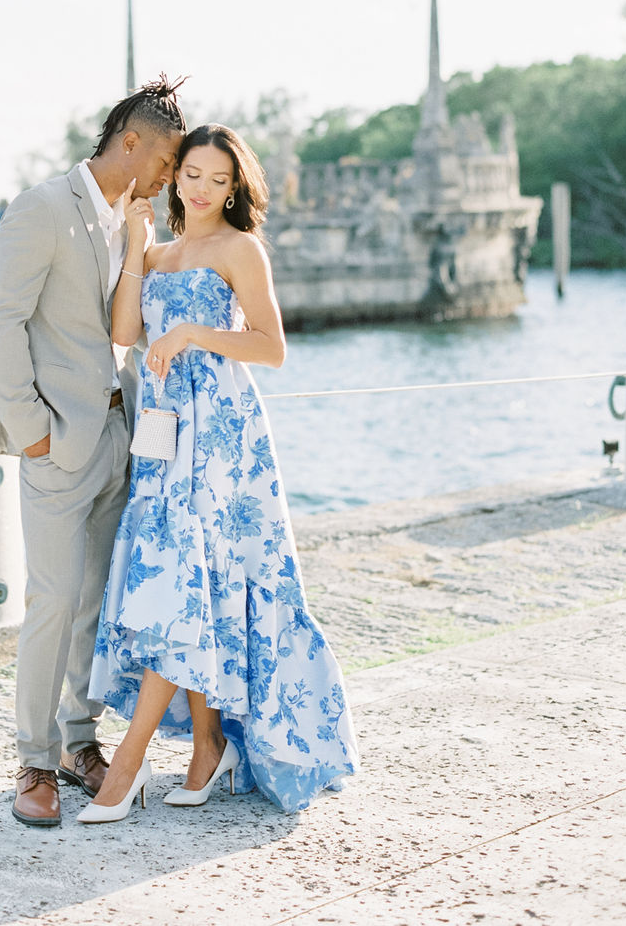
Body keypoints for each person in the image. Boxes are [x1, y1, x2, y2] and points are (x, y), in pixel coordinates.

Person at [81, 123, 360, 823]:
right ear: (175, 178)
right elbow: (123, 334)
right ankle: (208, 745)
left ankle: (128, 762)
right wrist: (139, 251)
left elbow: (272, 348)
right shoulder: (163, 249)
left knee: (189, 579)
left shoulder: (241, 249)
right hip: (164, 435)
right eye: (193, 174)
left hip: (224, 438)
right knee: (189, 583)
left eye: (218, 178)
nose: (202, 187)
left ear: (235, 187)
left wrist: (196, 332)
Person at [0, 76, 187, 829]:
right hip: (57, 443)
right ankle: (33, 759)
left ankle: (76, 742)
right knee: (53, 600)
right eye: (166, 163)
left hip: (116, 437)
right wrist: (30, 428)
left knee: (95, 606)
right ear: (130, 143)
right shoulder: (40, 210)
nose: (170, 179)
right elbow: (0, 323)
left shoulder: (127, 223)